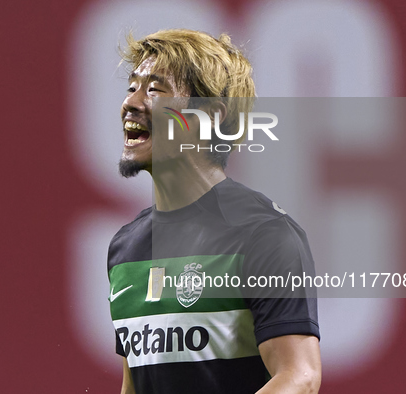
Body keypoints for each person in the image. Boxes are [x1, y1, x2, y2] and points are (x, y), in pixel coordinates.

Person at [108, 29, 321, 394]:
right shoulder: (124, 248)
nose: (133, 102)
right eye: (132, 87)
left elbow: (299, 376)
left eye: (155, 90)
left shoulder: (263, 234)